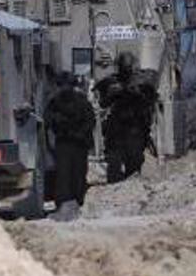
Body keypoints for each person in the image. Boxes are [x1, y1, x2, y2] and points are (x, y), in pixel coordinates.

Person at [94, 52, 158, 184]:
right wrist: (114, 93)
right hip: (117, 128)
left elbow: (151, 99)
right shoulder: (112, 81)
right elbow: (103, 102)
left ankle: (131, 186)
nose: (126, 70)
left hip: (135, 127)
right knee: (114, 163)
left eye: (127, 67)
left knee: (134, 163)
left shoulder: (141, 80)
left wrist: (135, 92)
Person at [45, 72, 96, 221]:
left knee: (75, 174)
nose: (65, 88)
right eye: (63, 85)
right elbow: (47, 122)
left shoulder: (78, 101)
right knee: (67, 175)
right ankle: (67, 203)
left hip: (75, 143)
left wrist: (81, 134)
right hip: (67, 143)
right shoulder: (56, 103)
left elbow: (90, 121)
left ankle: (74, 203)